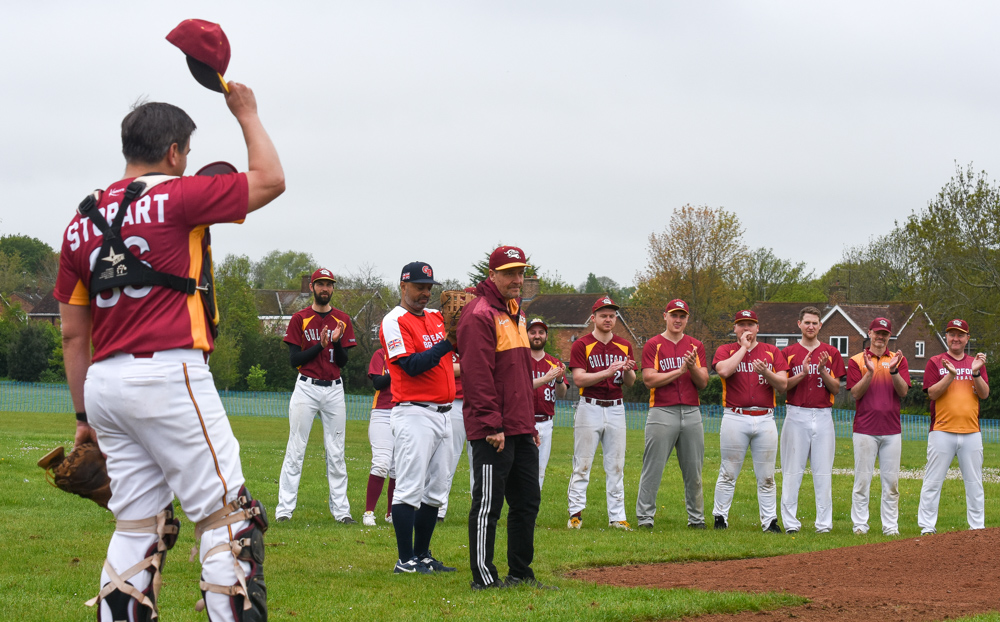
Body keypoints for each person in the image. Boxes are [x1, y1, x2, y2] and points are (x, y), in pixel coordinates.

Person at [55, 78, 285, 620]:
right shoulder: (179, 195)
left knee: (137, 525)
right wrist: (246, 112)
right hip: (168, 374)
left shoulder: (80, 221)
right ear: (174, 152)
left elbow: (72, 334)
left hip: (104, 388)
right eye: (187, 153)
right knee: (229, 518)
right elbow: (271, 180)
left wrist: (84, 417)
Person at [379, 261, 457, 574]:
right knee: (410, 488)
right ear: (403, 286)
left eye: (429, 287)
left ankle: (422, 555)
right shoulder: (394, 320)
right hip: (414, 413)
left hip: (444, 413)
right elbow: (410, 365)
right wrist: (447, 344)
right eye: (419, 287)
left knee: (436, 491)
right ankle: (405, 559)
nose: (425, 293)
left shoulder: (437, 317)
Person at [275, 268, 357, 524]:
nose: (325, 288)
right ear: (311, 287)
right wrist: (320, 346)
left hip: (334, 388)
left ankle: (342, 512)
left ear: (333, 288)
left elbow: (342, 362)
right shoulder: (300, 318)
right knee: (296, 448)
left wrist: (336, 342)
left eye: (329, 284)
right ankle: (284, 510)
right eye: (320, 284)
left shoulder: (342, 319)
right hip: (307, 387)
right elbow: (294, 360)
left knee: (336, 451)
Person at [711, 310, 788, 532]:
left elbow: (783, 385)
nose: (746, 328)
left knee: (767, 476)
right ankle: (720, 517)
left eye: (751, 324)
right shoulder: (726, 350)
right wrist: (744, 348)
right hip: (735, 416)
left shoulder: (771, 351)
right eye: (742, 324)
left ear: (758, 328)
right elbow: (724, 371)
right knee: (728, 471)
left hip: (765, 418)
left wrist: (767, 372)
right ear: (735, 328)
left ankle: (770, 521)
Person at [635, 299, 708, 530]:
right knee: (653, 468)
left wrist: (692, 367)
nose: (678, 320)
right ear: (665, 316)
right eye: (674, 315)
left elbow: (703, 382)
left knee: (694, 470)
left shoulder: (695, 345)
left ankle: (696, 519)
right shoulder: (653, 344)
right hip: (662, 410)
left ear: (687, 319)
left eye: (682, 316)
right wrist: (680, 371)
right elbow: (649, 379)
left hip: (691, 410)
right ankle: (645, 518)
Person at [567, 296, 637, 530]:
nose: (608, 319)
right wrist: (607, 372)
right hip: (590, 405)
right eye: (603, 315)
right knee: (583, 463)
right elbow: (578, 379)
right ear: (593, 317)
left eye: (612, 315)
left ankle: (617, 516)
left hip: (616, 407)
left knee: (616, 465)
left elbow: (630, 382)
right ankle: (575, 514)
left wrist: (627, 370)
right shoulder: (582, 344)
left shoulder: (624, 345)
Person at [917, 319, 990, 534]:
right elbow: (932, 393)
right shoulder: (935, 361)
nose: (955, 338)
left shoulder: (975, 362)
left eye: (960, 335)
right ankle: (927, 526)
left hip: (971, 431)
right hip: (941, 430)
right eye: (951, 334)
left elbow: (984, 394)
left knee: (974, 483)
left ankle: (977, 526)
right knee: (933, 481)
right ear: (946, 337)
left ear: (967, 338)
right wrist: (951, 375)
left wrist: (975, 372)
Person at [780, 306, 846, 534]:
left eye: (814, 323)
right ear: (799, 324)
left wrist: (822, 370)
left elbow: (836, 388)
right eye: (807, 322)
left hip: (823, 414)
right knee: (792, 471)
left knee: (823, 472)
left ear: (820, 325)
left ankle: (824, 524)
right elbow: (782, 386)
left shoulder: (831, 352)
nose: (810, 326)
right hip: (796, 413)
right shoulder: (788, 352)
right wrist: (803, 373)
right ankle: (790, 523)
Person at [847, 317, 910, 536]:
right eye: (877, 333)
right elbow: (855, 393)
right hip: (864, 429)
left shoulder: (898, 360)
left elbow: (903, 392)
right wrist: (870, 372)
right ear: (870, 333)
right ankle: (860, 525)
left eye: (884, 334)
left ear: (889, 336)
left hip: (892, 430)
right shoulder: (857, 360)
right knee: (862, 481)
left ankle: (890, 526)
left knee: (891, 483)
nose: (880, 337)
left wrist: (893, 371)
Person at [527, 318, 567, 489]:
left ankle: (533, 504)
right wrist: (546, 378)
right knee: (521, 468)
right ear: (526, 335)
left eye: (541, 332)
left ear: (546, 336)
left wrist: (559, 380)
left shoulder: (554, 363)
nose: (537, 336)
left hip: (546, 421)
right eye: (533, 332)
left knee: (540, 470)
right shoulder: (520, 360)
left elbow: (562, 394)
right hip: (523, 421)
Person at [438, 351, 473, 522]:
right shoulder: (447, 344)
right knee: (449, 458)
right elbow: (443, 369)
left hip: (479, 404)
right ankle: (439, 508)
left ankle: (480, 509)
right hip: (454, 402)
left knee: (480, 461)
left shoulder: (482, 342)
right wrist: (475, 364)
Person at [363, 347, 396, 527]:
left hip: (407, 411)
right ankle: (369, 512)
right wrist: (399, 366)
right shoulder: (381, 353)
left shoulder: (415, 352)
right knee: (381, 462)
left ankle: (391, 513)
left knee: (399, 468)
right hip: (383, 412)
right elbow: (378, 383)